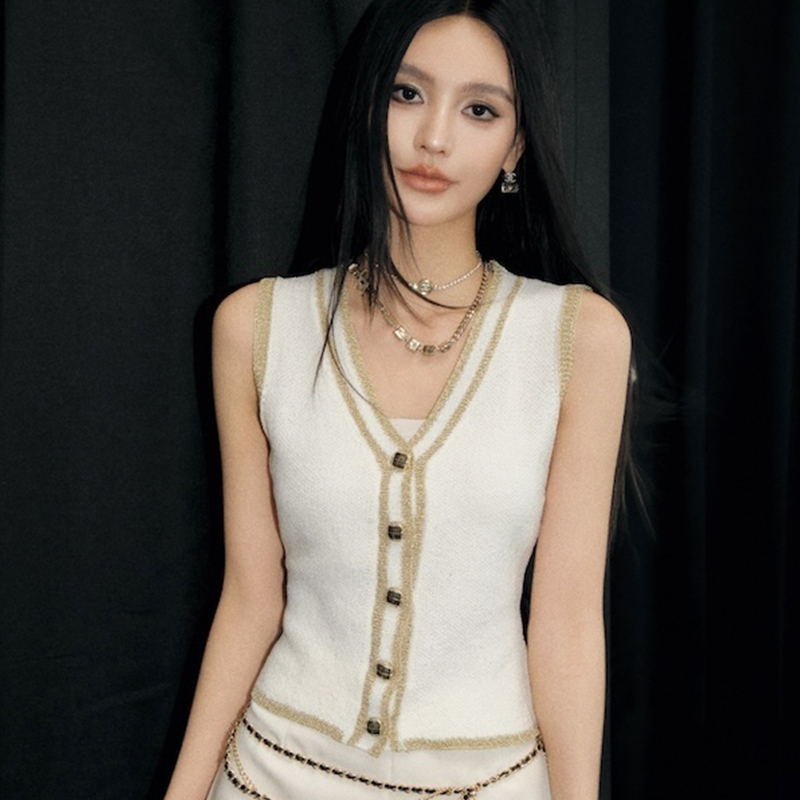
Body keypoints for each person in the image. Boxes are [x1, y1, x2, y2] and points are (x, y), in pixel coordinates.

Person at [164, 1, 634, 798]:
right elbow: (249, 596)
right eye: (407, 94)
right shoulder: (257, 328)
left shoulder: (578, 338)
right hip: (270, 774)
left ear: (516, 144)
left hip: (490, 782)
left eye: (480, 109)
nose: (434, 138)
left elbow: (565, 622)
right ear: (366, 103)